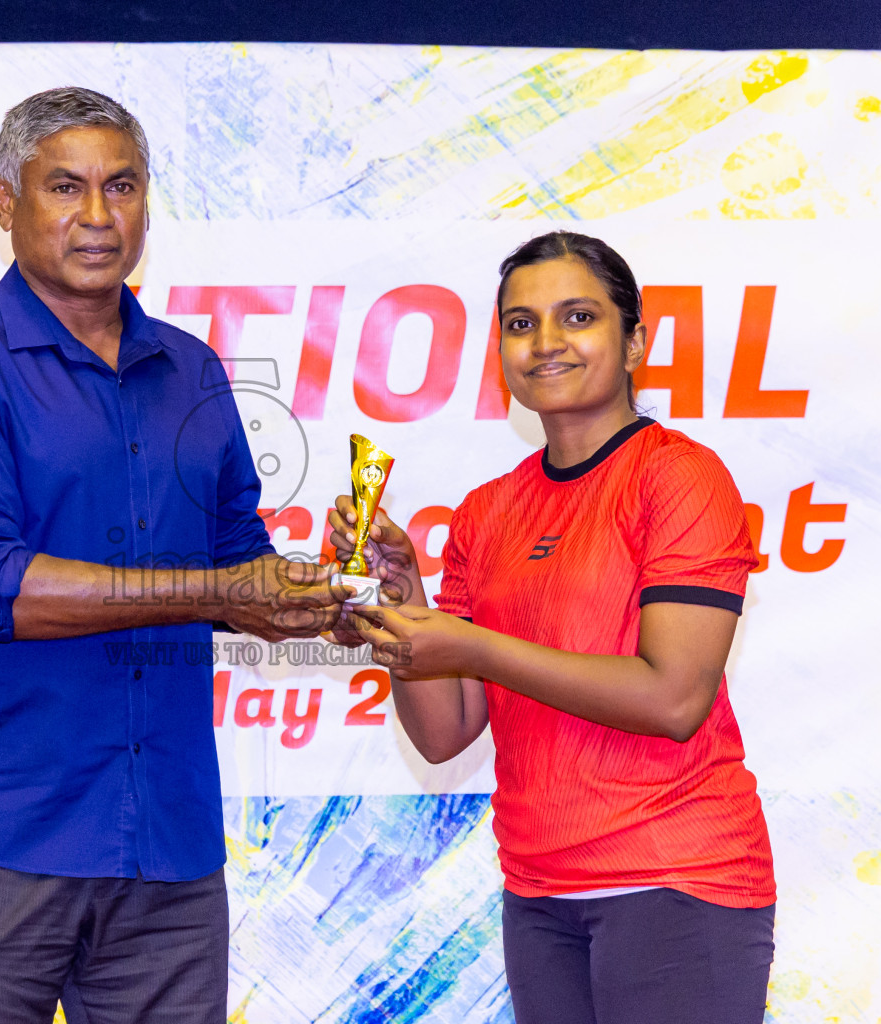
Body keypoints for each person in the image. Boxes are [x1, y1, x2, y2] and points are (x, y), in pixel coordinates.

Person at [0, 87, 343, 1024]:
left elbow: (235, 557)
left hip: (165, 846)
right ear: (6, 202)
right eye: (66, 187)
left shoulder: (192, 369)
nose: (98, 215)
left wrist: (319, 593)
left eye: (122, 186)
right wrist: (219, 589)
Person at [332, 231, 775, 1024]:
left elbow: (674, 699)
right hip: (538, 897)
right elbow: (443, 733)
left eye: (578, 317)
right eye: (521, 323)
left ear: (634, 341)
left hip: (674, 881)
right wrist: (404, 598)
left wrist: (472, 644)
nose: (546, 342)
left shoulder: (679, 477)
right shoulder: (486, 512)